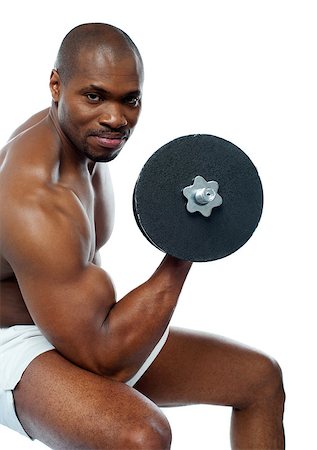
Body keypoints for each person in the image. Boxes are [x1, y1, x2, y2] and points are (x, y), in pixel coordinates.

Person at [0, 23, 285, 449]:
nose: (115, 118)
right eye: (94, 96)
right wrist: (188, 243)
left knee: (259, 379)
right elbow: (105, 358)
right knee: (141, 435)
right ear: (57, 85)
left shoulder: (85, 141)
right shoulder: (36, 197)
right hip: (10, 338)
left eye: (129, 100)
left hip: (67, 318)